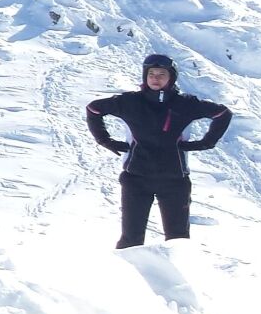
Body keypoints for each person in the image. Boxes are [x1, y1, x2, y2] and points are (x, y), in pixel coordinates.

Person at [86, 53, 233, 249]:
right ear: (145, 76)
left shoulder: (185, 104)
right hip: (136, 179)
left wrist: (206, 142)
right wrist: (105, 140)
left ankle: (178, 270)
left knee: (178, 240)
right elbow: (93, 109)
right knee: (131, 240)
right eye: (151, 74)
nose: (155, 78)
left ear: (171, 77)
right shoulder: (130, 102)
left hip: (175, 181)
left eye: (161, 74)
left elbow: (222, 114)